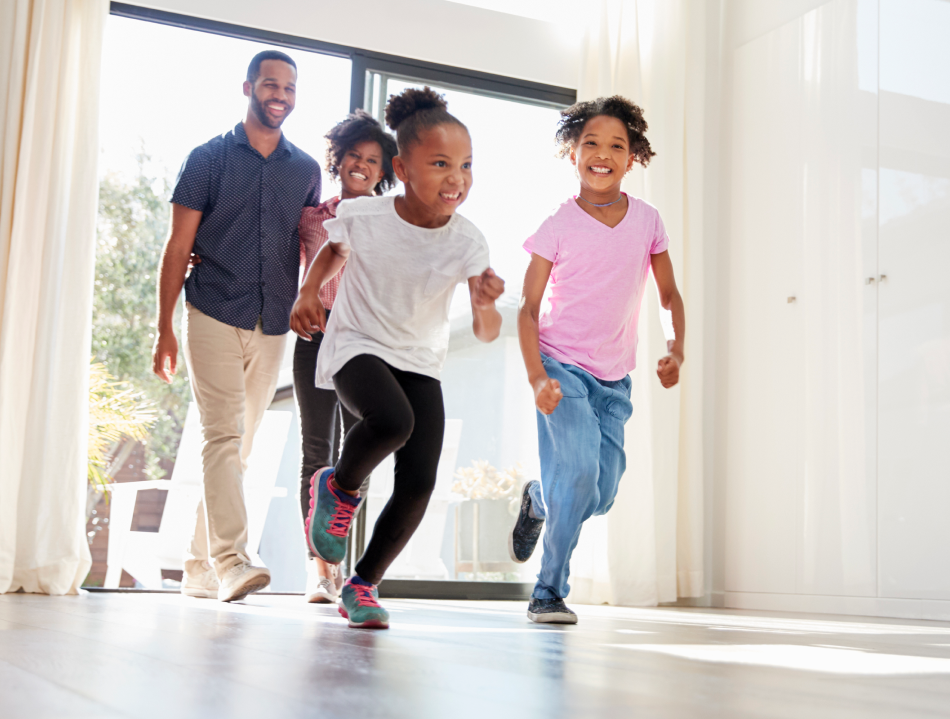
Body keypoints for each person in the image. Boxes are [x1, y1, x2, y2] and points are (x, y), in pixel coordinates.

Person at [290, 87, 505, 629]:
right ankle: (338, 487)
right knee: (392, 421)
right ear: (403, 168)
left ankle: (361, 586)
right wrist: (308, 292)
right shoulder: (366, 216)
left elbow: (486, 331)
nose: (456, 178)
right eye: (440, 164)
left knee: (420, 481)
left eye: (466, 165)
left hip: (418, 359)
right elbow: (332, 250)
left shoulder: (468, 242)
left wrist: (483, 305)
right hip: (355, 343)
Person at [152, 49, 321, 603]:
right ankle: (232, 561)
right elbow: (178, 248)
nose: (280, 95)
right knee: (222, 435)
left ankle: (197, 565)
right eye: (271, 85)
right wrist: (164, 327)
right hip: (212, 310)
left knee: (238, 448)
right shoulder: (208, 159)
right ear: (248, 86)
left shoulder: (305, 170)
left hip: (273, 320)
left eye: (289, 88)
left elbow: (313, 243)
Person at [509, 95, 685, 624]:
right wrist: (538, 376)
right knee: (580, 477)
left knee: (601, 495)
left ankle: (540, 499)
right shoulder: (557, 225)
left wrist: (677, 346)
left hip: (614, 380)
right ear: (573, 153)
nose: (603, 154)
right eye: (591, 144)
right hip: (561, 369)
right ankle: (548, 591)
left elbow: (669, 294)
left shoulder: (648, 221)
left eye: (617, 146)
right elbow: (528, 310)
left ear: (633, 158)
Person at [294, 110, 397, 604]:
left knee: (360, 456)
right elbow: (274, 256)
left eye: (372, 160)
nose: (361, 164)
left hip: (363, 345)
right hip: (314, 337)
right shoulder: (313, 216)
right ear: (339, 160)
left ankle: (358, 575)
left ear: (384, 171)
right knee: (317, 453)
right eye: (354, 155)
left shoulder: (389, 220)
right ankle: (321, 572)